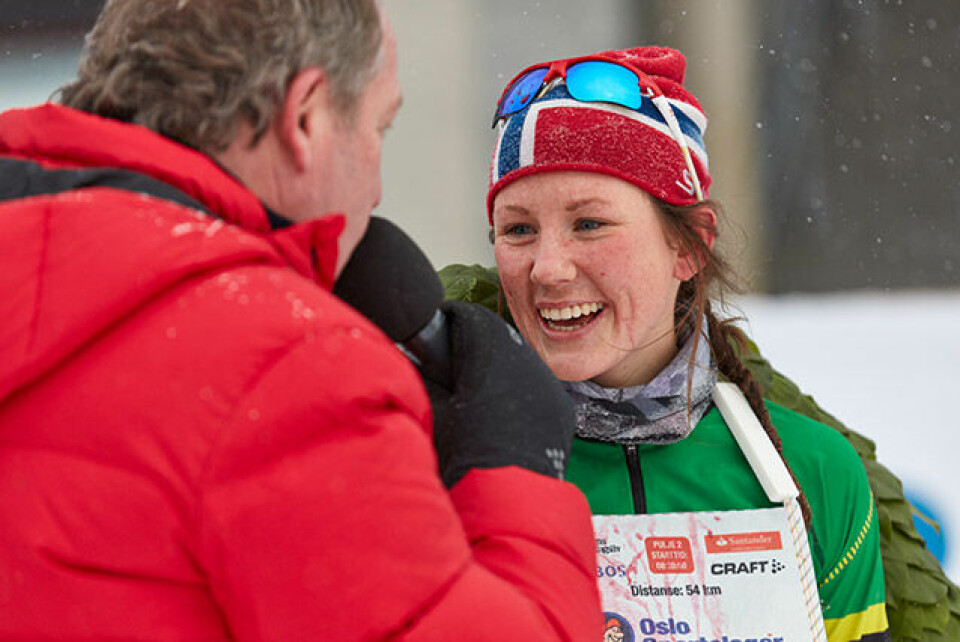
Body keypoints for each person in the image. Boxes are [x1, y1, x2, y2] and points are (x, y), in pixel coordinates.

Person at [0, 1, 603, 639]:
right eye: (379, 128)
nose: (374, 189)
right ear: (307, 116)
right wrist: (515, 469)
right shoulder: (283, 364)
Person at [484, 46, 890, 641]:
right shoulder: (453, 469)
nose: (547, 268)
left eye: (589, 223)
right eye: (518, 229)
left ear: (690, 246)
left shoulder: (812, 471)